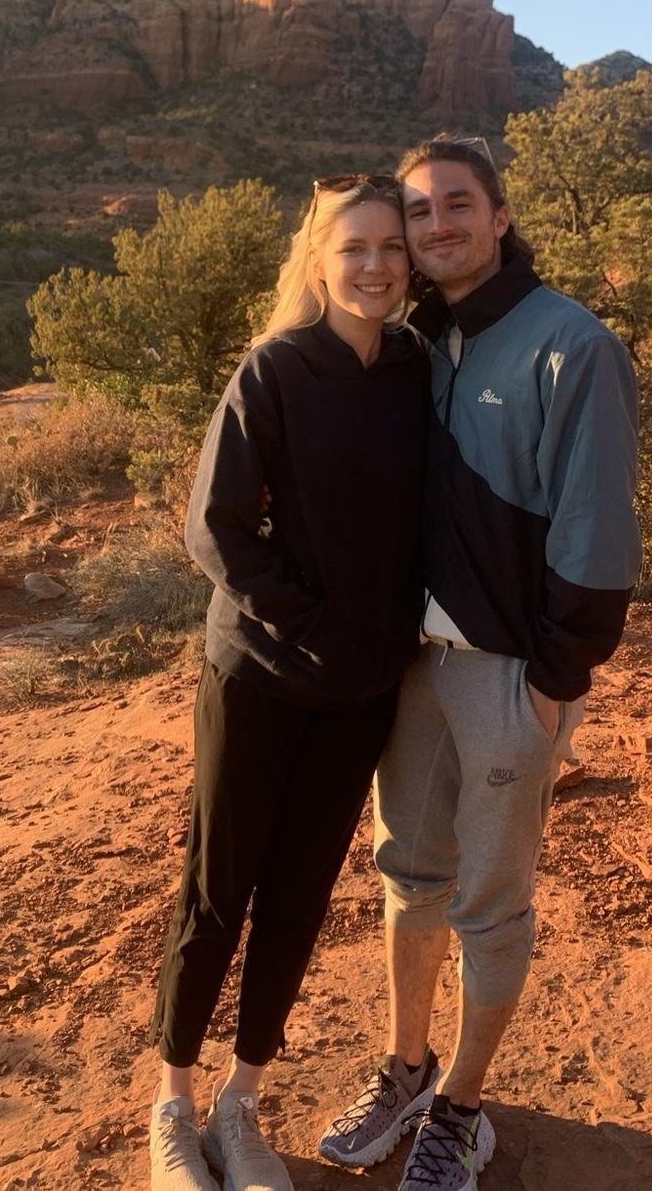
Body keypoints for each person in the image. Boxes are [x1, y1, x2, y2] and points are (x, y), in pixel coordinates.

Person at [318, 137, 641, 1189]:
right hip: (414, 666)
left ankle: (461, 1110)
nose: (437, 225)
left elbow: (598, 528)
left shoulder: (571, 343)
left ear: (500, 217)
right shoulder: (419, 343)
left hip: (510, 674)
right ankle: (407, 1070)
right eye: (418, 211)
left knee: (488, 905)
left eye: (458, 204)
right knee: (407, 876)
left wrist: (556, 678)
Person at [150, 175, 431, 1191]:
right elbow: (215, 530)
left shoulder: (418, 368)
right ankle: (173, 1107)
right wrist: (314, 625)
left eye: (392, 248)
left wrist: (385, 638)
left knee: (302, 894)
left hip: (361, 691)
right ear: (319, 259)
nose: (375, 266)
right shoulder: (275, 368)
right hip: (261, 674)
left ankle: (242, 1103)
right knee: (219, 888)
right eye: (354, 248)